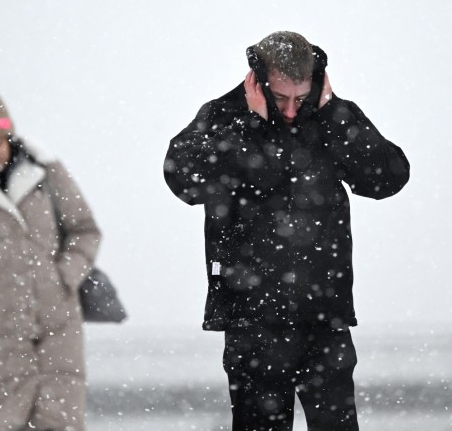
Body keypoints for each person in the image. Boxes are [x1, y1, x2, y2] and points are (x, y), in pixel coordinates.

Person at [163, 31, 410, 430]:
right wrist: (248, 126)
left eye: (301, 97)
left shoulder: (331, 117)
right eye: (281, 99)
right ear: (256, 81)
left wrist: (334, 115)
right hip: (252, 319)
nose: (292, 110)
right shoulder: (224, 116)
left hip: (324, 317)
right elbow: (183, 181)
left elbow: (389, 178)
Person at [0, 91, 100, 431]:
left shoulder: (47, 173)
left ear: (9, 134)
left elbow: (85, 230)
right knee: (5, 422)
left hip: (56, 325)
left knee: (60, 422)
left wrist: (63, 277)